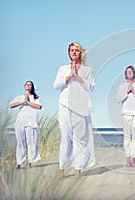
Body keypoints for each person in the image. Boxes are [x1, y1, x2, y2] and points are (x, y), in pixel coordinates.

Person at [53, 42, 95, 178]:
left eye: (77, 50)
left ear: (81, 53)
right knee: (65, 138)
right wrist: (69, 75)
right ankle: (61, 169)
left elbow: (90, 87)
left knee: (79, 139)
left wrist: (77, 76)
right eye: (72, 50)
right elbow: (56, 85)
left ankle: (78, 169)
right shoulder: (63, 68)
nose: (74, 52)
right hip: (64, 106)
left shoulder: (87, 70)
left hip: (81, 108)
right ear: (69, 53)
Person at [116, 65, 135, 167]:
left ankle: (133, 159)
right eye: (127, 72)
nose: (129, 73)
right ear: (125, 74)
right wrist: (126, 91)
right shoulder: (122, 86)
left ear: (134, 73)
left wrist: (134, 92)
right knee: (127, 137)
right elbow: (118, 99)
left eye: (131, 71)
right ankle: (128, 158)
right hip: (126, 113)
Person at [9, 81, 42, 169]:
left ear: (32, 87)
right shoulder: (19, 97)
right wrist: (22, 102)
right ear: (24, 86)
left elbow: (39, 106)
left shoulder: (35, 97)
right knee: (20, 143)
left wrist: (28, 102)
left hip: (31, 122)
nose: (28, 85)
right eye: (27, 84)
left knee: (31, 142)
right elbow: (11, 105)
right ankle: (20, 162)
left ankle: (30, 161)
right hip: (20, 122)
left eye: (30, 84)